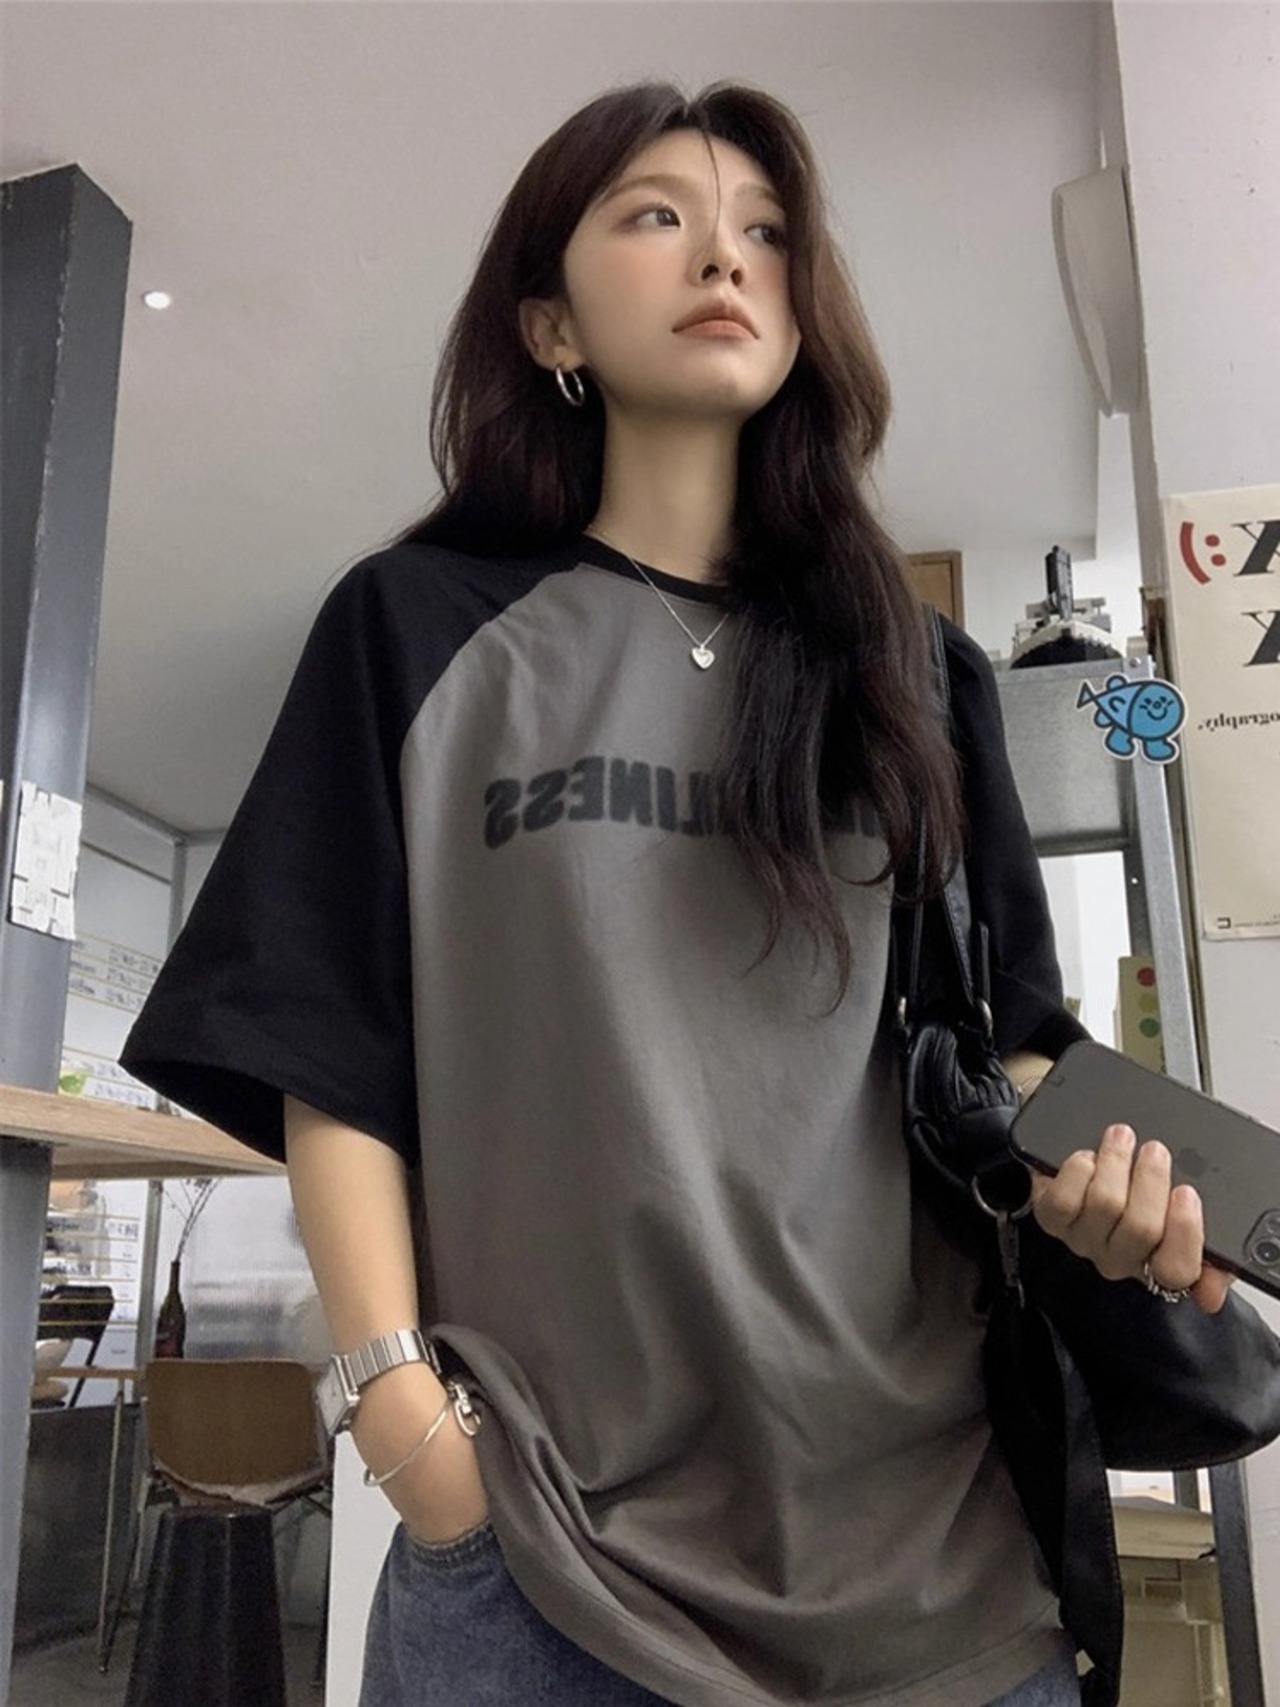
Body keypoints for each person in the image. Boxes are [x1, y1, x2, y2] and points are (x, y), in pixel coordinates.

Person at [122, 81, 1236, 1707]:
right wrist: (406, 1425)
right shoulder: (418, 630)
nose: (726, 257)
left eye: (767, 233)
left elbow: (1005, 1052)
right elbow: (330, 1058)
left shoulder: (917, 672)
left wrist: (1125, 1189)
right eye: (658, 216)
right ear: (549, 322)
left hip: (934, 1568)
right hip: (548, 1567)